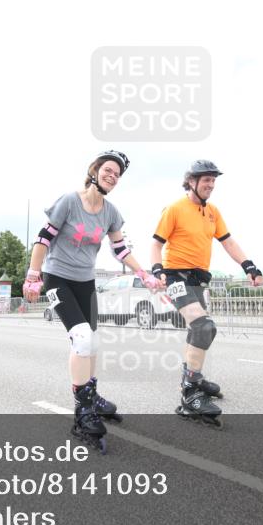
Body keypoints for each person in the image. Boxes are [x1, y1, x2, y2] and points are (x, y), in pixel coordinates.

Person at [23, 151, 160, 453]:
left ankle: (92, 392)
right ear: (95, 171)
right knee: (81, 337)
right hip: (57, 277)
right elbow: (43, 239)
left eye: (117, 174)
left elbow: (120, 249)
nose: (113, 176)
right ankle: (83, 409)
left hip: (85, 282)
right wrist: (33, 275)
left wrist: (144, 273)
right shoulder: (69, 202)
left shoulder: (111, 212)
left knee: (92, 342)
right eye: (108, 170)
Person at [150, 160, 263, 428]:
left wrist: (249, 266)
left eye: (213, 181)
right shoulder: (175, 209)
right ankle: (190, 394)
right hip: (176, 276)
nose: (211, 185)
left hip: (199, 279)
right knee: (203, 327)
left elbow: (228, 241)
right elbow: (156, 243)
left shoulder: (213, 212)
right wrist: (157, 269)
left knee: (199, 331)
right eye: (206, 180)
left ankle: (194, 378)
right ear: (191, 181)